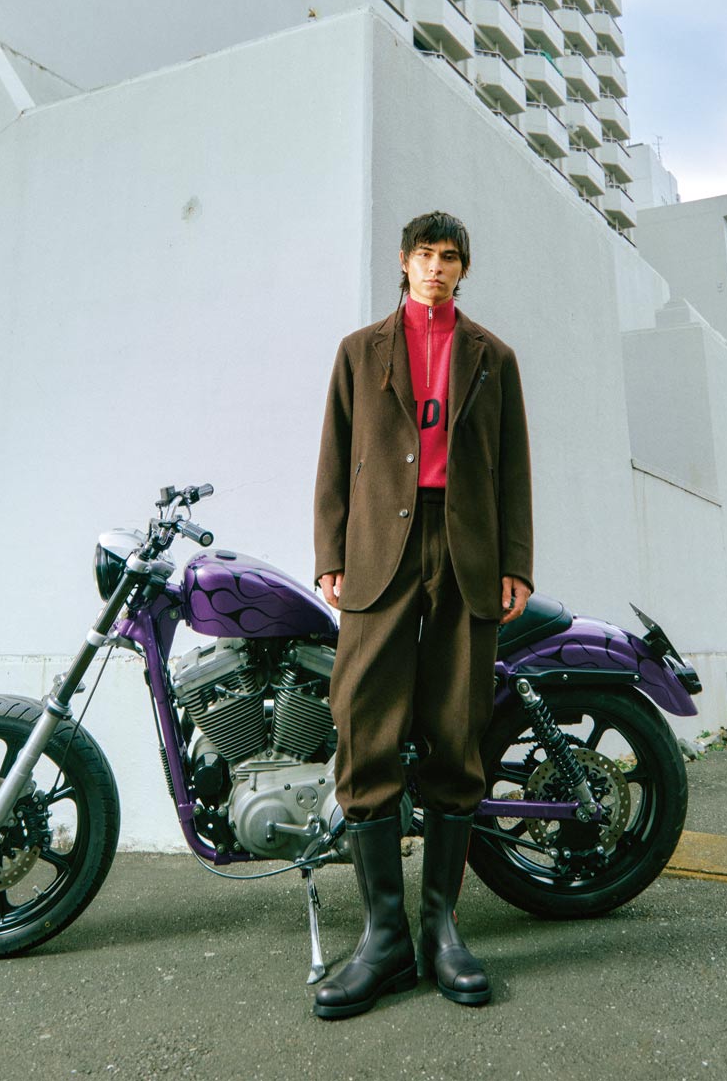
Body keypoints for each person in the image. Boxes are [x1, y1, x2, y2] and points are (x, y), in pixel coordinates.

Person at [312, 210, 533, 1021]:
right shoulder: (359, 351)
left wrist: (515, 562)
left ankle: (441, 928)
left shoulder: (493, 357)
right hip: (380, 546)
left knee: (456, 727)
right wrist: (330, 551)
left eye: (449, 257)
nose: (435, 267)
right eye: (423, 255)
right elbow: (335, 454)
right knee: (363, 718)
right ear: (403, 262)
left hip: (466, 550)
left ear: (463, 269)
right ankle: (384, 939)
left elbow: (513, 466)